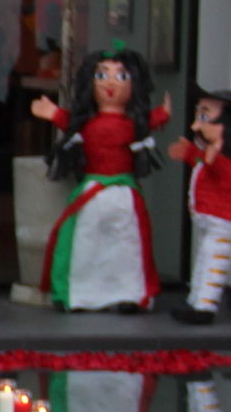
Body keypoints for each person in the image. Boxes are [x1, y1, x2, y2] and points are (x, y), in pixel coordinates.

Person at [30, 48, 173, 312]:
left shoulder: (134, 123)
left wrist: (163, 113)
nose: (110, 83)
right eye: (101, 75)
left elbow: (151, 120)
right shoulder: (85, 123)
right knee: (86, 245)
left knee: (126, 248)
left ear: (134, 85)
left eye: (121, 76)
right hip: (91, 195)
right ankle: (82, 294)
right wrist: (53, 113)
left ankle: (129, 294)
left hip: (123, 195)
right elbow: (68, 121)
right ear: (89, 83)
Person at [168, 77, 231, 325]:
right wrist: (193, 156)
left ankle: (205, 304)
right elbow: (206, 165)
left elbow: (219, 170)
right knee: (205, 256)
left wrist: (198, 156)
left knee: (214, 256)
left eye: (204, 117)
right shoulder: (215, 156)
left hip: (224, 218)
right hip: (211, 217)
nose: (195, 126)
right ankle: (196, 299)